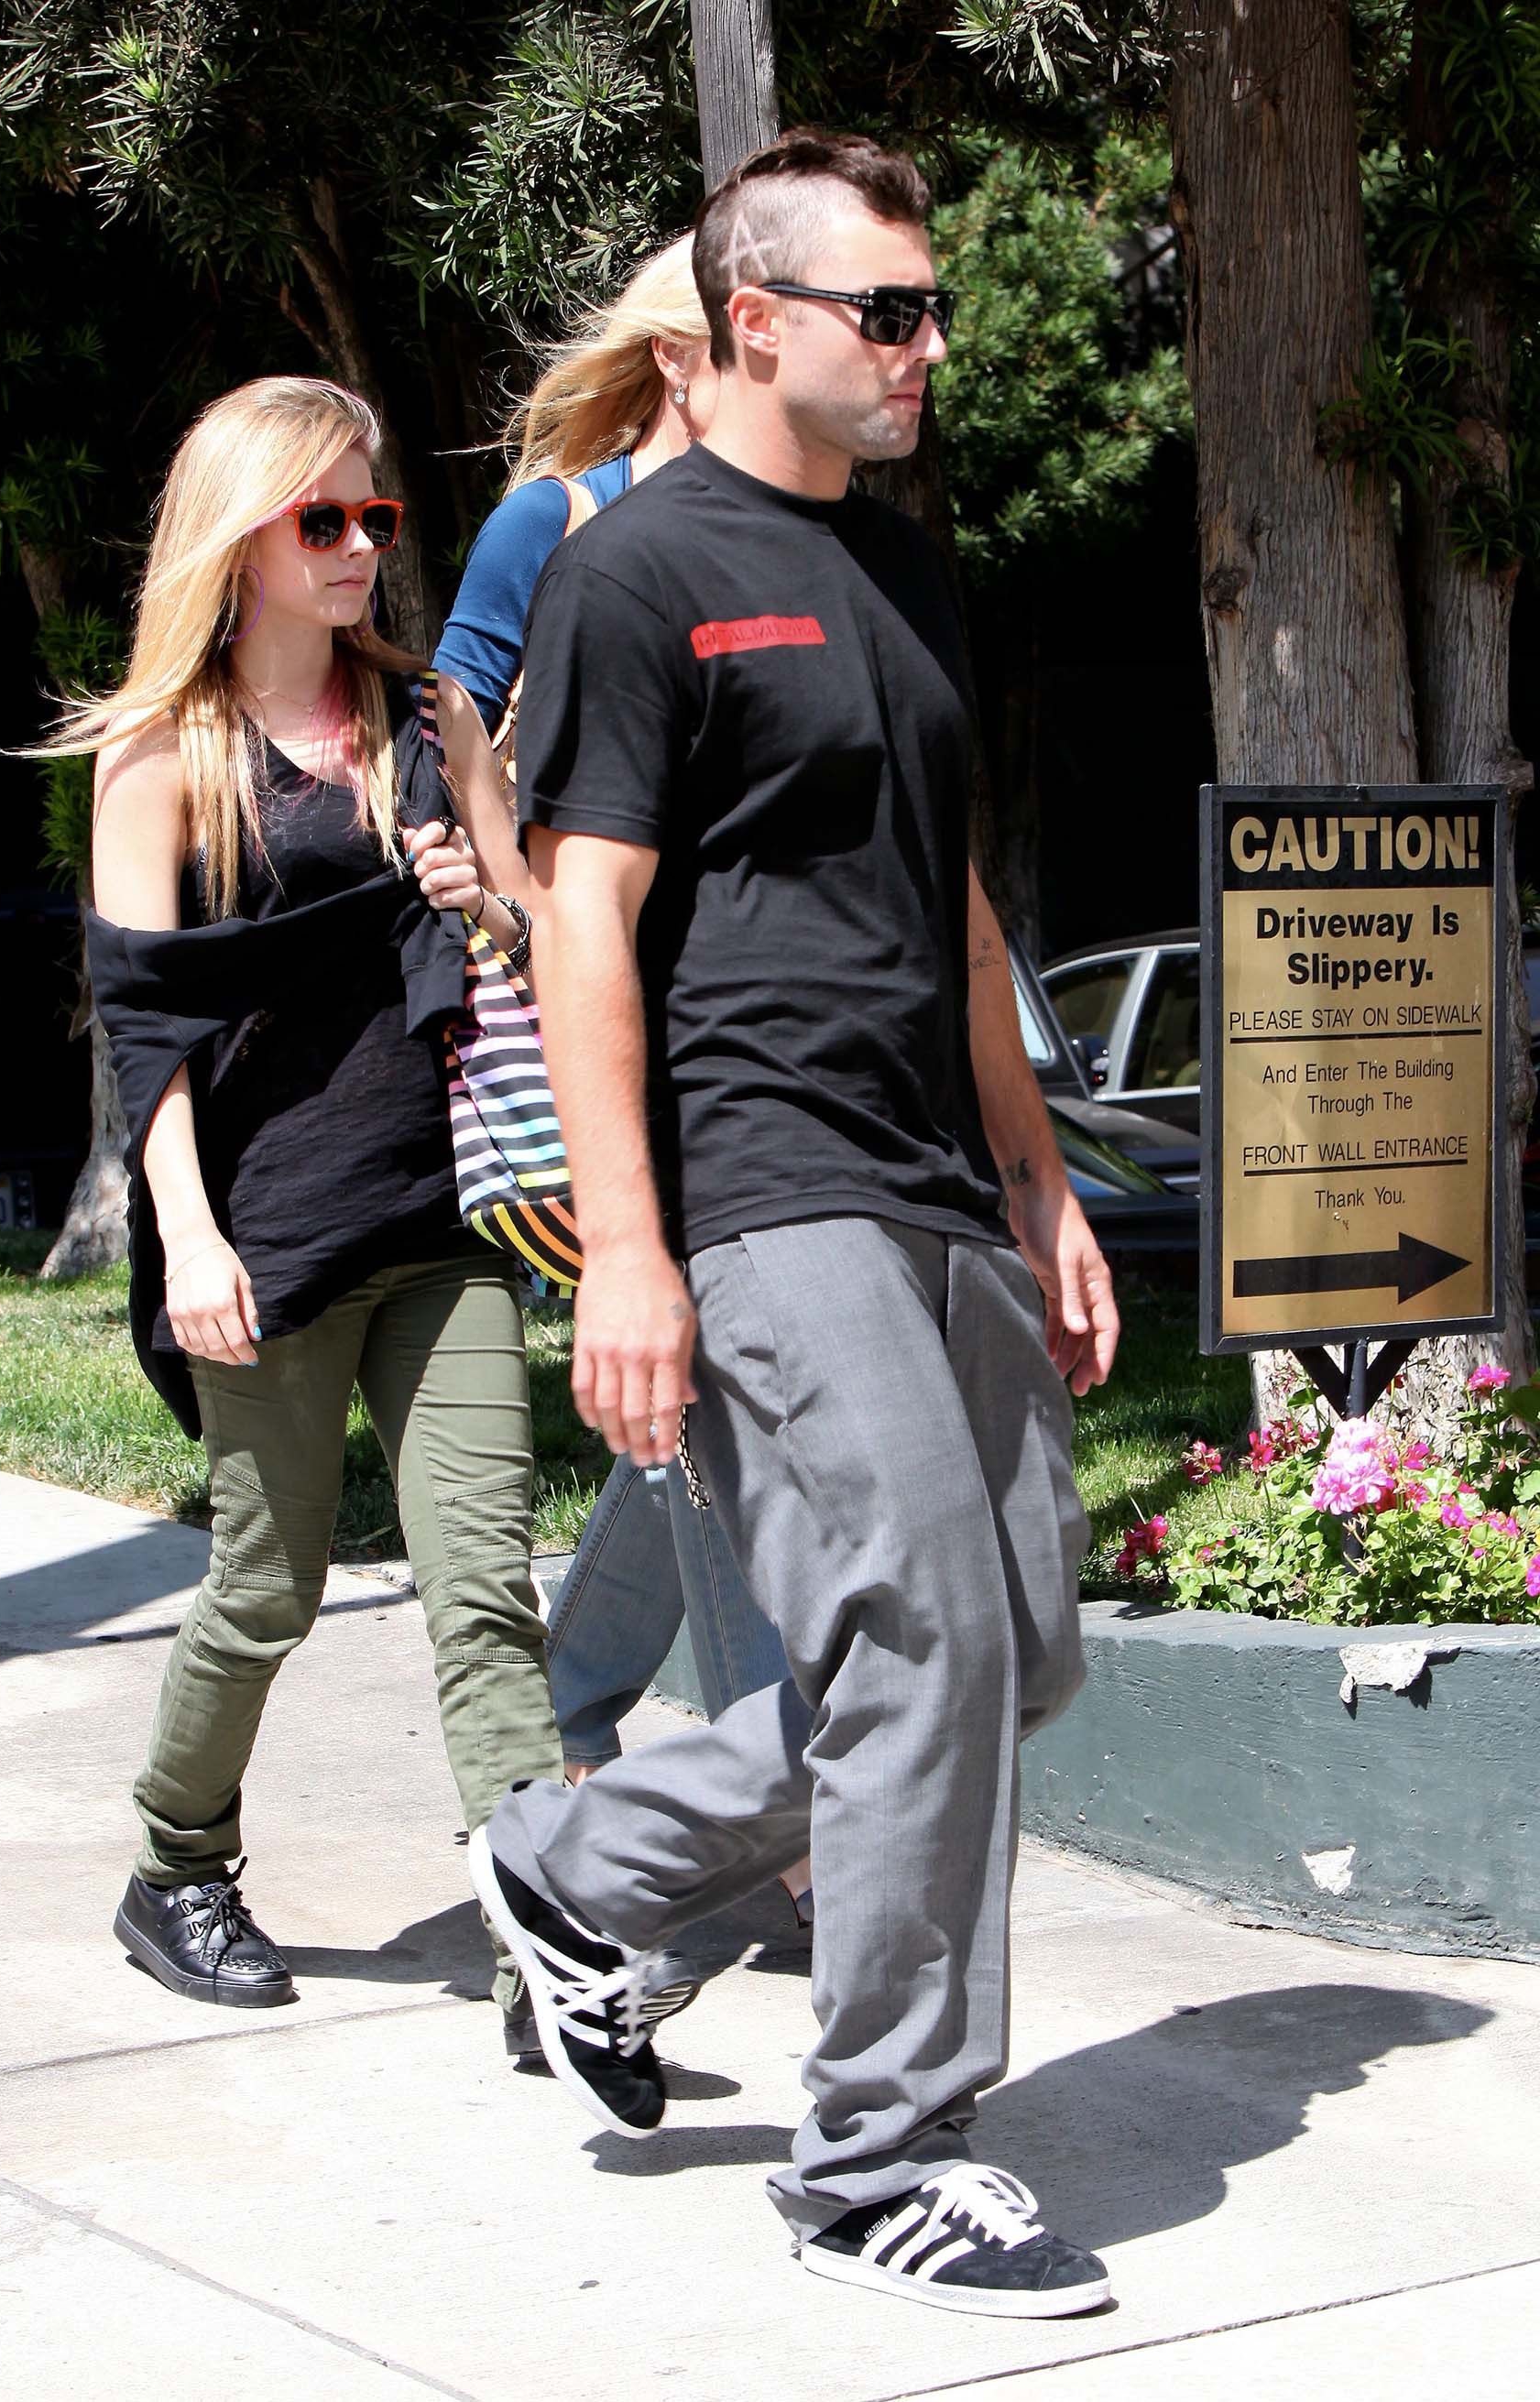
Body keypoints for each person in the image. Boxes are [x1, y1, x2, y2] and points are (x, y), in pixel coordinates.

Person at [467, 132, 1121, 2315]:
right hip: (759, 1176)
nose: (929, 346)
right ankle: (880, 2155)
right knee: (919, 1631)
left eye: (931, 310)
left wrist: (1040, 1179)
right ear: (753, 322)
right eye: (889, 311)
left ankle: (589, 1860)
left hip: (935, 1175)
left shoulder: (905, 572)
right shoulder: (640, 572)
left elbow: (954, 906)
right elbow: (582, 922)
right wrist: (628, 1248)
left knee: (1017, 1643)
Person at [49, 374, 565, 2059]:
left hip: (443, 1215)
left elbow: (538, 928)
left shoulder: (431, 716)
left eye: (374, 517)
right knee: (265, 1586)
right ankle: (174, 1865)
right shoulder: (163, 755)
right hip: (266, 1235)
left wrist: (487, 896)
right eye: (321, 518)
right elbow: (145, 1031)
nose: (358, 546)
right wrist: (189, 1238)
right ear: (241, 534)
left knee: (483, 1587)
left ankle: (545, 1941)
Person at [435, 240, 807, 1916]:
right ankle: (780, 1828)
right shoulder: (561, 519)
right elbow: (456, 709)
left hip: (727, 1037)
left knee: (705, 1398)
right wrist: (517, 898)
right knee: (708, 1396)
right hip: (576, 1037)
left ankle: (580, 1699)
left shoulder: (777, 534)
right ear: (680, 358)